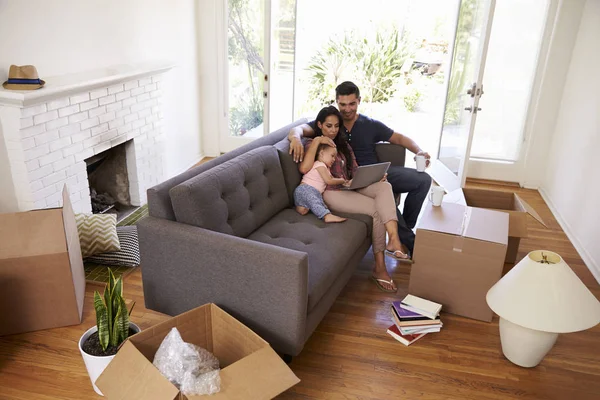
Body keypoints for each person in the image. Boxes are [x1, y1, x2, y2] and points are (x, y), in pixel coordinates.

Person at [289, 81, 432, 257]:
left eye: (352, 104)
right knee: (383, 198)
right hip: (353, 179)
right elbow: (299, 128)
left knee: (423, 180)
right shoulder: (332, 123)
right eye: (342, 104)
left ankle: (406, 228)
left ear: (359, 101)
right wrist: (295, 138)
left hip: (376, 173)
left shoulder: (369, 124)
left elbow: (400, 138)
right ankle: (411, 243)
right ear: (336, 102)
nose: (347, 109)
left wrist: (419, 151)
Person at [295, 106, 408, 293]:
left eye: (336, 126)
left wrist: (372, 177)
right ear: (320, 125)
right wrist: (317, 141)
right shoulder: (312, 144)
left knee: (384, 186)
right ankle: (380, 268)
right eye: (328, 126)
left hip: (350, 185)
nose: (332, 130)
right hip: (332, 192)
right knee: (376, 209)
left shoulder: (343, 145)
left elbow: (354, 171)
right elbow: (304, 169)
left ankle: (394, 239)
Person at [293, 143, 349, 223]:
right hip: (306, 189)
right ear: (322, 153)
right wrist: (342, 180)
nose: (334, 159)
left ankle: (301, 208)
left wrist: (345, 183)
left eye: (335, 157)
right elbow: (329, 180)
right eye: (332, 156)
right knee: (316, 202)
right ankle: (327, 216)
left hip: (309, 192)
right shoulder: (320, 165)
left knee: (309, 208)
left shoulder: (325, 168)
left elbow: (331, 178)